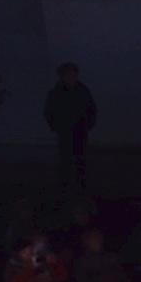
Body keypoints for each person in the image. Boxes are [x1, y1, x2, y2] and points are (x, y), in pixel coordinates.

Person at [42, 61, 97, 197]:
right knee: (65, 159)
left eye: (73, 74)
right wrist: (56, 126)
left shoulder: (84, 91)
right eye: (68, 74)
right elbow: (49, 111)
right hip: (65, 131)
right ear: (62, 76)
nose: (71, 77)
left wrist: (88, 124)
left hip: (80, 130)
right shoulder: (55, 92)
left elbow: (92, 109)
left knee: (80, 159)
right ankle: (63, 187)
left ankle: (82, 186)